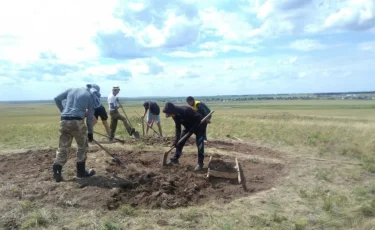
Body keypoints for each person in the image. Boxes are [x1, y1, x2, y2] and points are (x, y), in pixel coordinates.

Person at [52, 84, 99, 182]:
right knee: (82, 147)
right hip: (77, 122)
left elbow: (56, 98)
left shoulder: (71, 89)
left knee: (63, 147)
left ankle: (57, 172)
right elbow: (90, 118)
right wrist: (90, 133)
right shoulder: (90, 96)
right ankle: (81, 172)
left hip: (64, 120)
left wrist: (63, 110)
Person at [162, 102, 206, 171]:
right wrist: (176, 140)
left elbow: (198, 118)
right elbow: (178, 128)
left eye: (170, 114)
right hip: (188, 126)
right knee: (180, 141)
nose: (171, 116)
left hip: (199, 125)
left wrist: (192, 130)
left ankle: (200, 164)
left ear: (173, 111)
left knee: (200, 143)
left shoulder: (186, 110)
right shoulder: (175, 115)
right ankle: (175, 159)